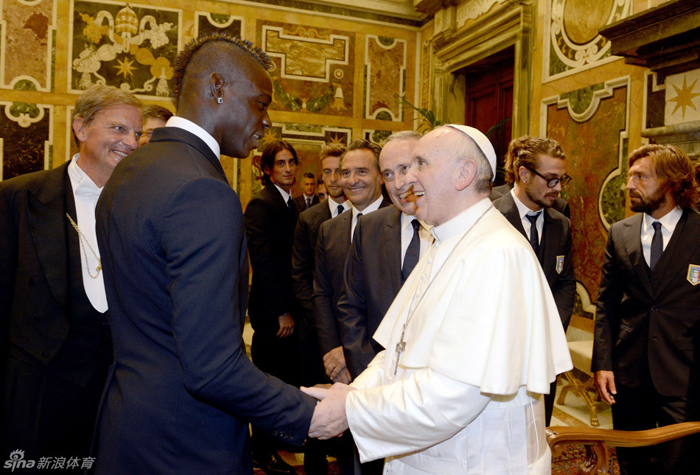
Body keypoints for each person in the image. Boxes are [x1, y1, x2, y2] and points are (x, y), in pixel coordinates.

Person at [94, 34, 317, 474]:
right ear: (218, 87)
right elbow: (212, 369)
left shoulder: (130, 171)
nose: (266, 121)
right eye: (260, 103)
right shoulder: (202, 191)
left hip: (128, 426)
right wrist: (309, 412)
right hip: (188, 443)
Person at [304, 125, 572, 474]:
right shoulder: (444, 240)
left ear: (463, 174)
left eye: (421, 164)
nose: (406, 179)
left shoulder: (496, 253)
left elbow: (456, 393)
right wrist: (355, 394)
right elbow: (397, 351)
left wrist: (351, 409)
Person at [0, 84, 142, 466]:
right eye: (118, 129)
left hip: (114, 385)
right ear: (81, 128)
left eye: (136, 133)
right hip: (39, 386)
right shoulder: (19, 197)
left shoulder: (142, 207)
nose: (130, 141)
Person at [592, 144, 700, 475]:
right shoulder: (620, 233)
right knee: (631, 463)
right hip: (628, 373)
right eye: (630, 176)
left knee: (679, 464)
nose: (629, 184)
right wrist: (603, 362)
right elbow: (606, 303)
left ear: (671, 181)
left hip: (685, 375)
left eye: (641, 177)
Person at [492, 135, 576, 425]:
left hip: (545, 353)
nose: (558, 188)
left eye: (562, 179)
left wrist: (551, 330)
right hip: (499, 352)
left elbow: (565, 283)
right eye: (551, 179)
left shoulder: (560, 224)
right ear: (524, 174)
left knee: (539, 432)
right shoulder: (490, 217)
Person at [337, 131, 429, 380]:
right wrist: (370, 373)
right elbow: (351, 307)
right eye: (388, 174)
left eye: (405, 168)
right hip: (375, 375)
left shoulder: (453, 230)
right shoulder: (370, 228)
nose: (398, 183)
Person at [291, 143, 352, 475]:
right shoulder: (309, 219)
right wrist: (325, 326)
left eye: (337, 171)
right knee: (316, 408)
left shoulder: (371, 217)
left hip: (356, 336)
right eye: (326, 172)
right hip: (316, 334)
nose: (331, 179)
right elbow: (300, 277)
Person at [244, 139, 302, 475]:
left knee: (282, 380)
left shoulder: (289, 203)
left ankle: (273, 446)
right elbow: (263, 262)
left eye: (291, 162)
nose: (288, 169)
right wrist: (280, 310)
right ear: (267, 170)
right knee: (267, 383)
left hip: (287, 309)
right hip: (272, 312)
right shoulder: (262, 204)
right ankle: (260, 452)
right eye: (280, 163)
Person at [313, 139, 387, 385]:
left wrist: (354, 353)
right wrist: (334, 350)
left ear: (381, 177)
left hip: (383, 361)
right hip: (336, 363)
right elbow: (322, 295)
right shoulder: (329, 230)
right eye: (346, 173)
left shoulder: (403, 223)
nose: (352, 180)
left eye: (362, 172)